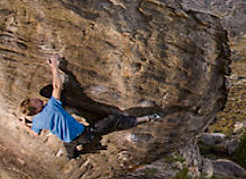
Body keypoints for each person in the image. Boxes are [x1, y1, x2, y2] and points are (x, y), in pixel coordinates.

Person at [19, 55, 161, 159]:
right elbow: (57, 86)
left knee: (72, 155)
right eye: (35, 102)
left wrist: (23, 125)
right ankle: (146, 118)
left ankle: (77, 154)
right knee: (114, 119)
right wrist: (54, 67)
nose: (37, 99)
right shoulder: (52, 107)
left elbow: (35, 133)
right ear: (36, 109)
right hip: (86, 135)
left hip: (68, 142)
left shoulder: (37, 121)